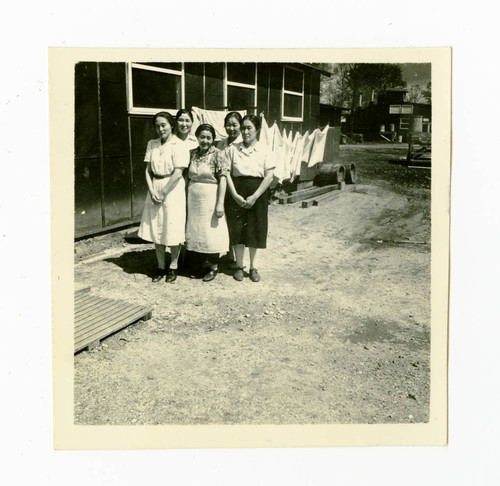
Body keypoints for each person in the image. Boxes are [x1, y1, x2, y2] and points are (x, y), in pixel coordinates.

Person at [138, 112, 189, 283]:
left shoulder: (179, 145)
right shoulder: (152, 144)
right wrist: (152, 190)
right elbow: (147, 171)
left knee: (172, 227)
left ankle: (173, 267)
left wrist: (163, 192)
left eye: (164, 125)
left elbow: (178, 172)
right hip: (155, 187)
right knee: (157, 227)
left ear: (171, 125)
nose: (160, 129)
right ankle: (160, 266)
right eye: (157, 126)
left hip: (172, 189)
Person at [225, 114, 275, 282]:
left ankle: (253, 267)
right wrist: (234, 195)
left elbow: (269, 177)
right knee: (237, 229)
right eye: (243, 128)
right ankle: (239, 266)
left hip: (257, 194)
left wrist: (254, 196)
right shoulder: (233, 149)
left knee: (255, 229)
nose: (245, 132)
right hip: (236, 193)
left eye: (249, 128)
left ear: (257, 130)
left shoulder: (265, 150)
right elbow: (226, 173)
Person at [185, 124, 230, 282]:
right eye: (202, 137)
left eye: (208, 137)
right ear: (197, 137)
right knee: (197, 231)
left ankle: (213, 267)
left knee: (210, 233)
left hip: (210, 198)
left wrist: (220, 203)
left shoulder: (218, 154)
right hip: (193, 198)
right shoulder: (192, 154)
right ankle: (199, 265)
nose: (205, 140)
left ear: (213, 139)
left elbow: (223, 180)